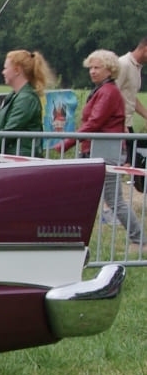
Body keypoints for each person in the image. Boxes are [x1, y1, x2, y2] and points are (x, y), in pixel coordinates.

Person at [60, 50, 142, 245]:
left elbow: (95, 123)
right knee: (77, 193)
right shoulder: (101, 90)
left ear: (110, 70)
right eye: (91, 68)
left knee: (114, 199)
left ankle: (139, 238)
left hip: (106, 151)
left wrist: (68, 142)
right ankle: (70, 235)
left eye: (97, 67)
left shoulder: (108, 92)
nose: (93, 71)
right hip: (94, 149)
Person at [0, 49, 54, 156]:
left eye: (5, 68)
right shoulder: (17, 96)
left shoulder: (26, 99)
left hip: (21, 159)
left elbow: (10, 132)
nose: (3, 72)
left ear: (17, 70)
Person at [115, 36, 147, 131]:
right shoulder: (123, 64)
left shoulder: (136, 67)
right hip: (118, 125)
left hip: (126, 124)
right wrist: (121, 125)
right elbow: (111, 95)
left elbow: (129, 97)